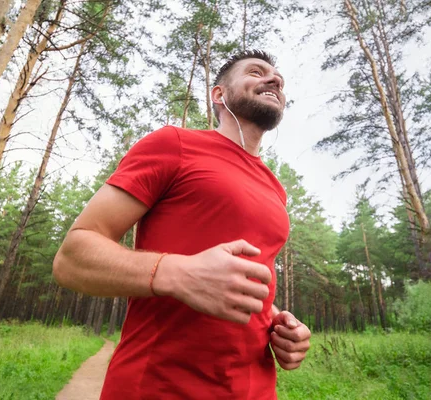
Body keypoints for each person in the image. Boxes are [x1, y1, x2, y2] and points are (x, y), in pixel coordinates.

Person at [53, 49, 311, 399]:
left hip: (255, 389)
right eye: (256, 71)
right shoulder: (175, 144)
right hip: (158, 387)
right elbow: (72, 258)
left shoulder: (276, 188)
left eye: (278, 77)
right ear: (219, 95)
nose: (275, 79)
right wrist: (177, 273)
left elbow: (242, 281)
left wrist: (278, 324)